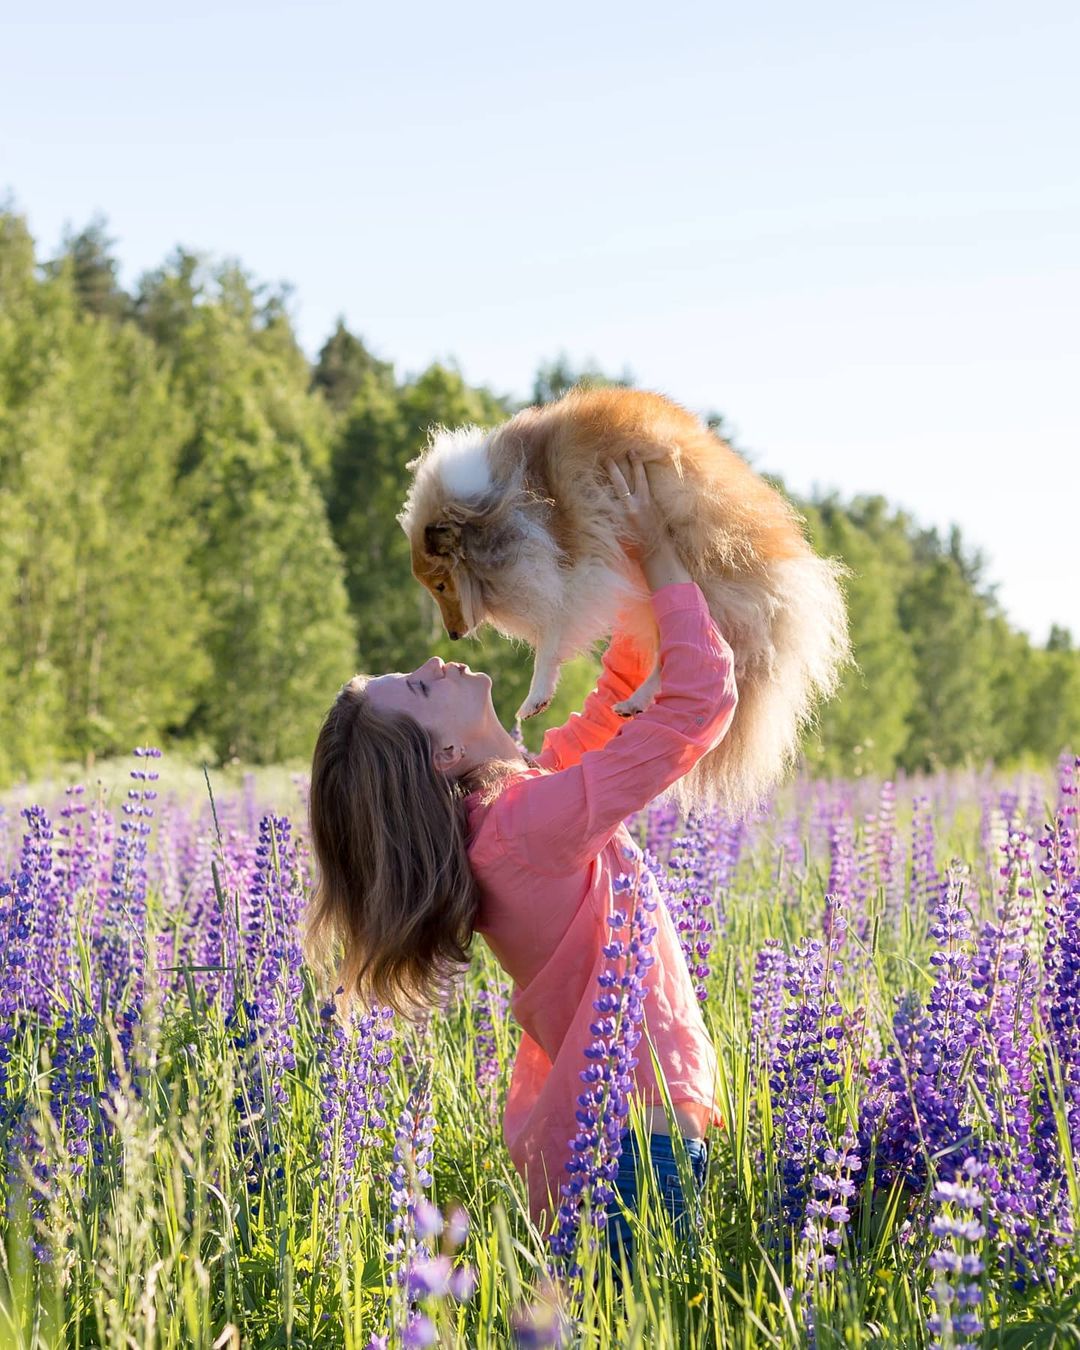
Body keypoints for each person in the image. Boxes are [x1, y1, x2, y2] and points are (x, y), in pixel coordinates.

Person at [305, 450, 739, 1269]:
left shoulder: (512, 813)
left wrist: (627, 554)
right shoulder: (524, 828)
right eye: (421, 688)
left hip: (616, 1134)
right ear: (438, 755)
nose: (437, 660)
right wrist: (665, 557)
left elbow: (621, 702)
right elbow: (699, 701)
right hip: (634, 1141)